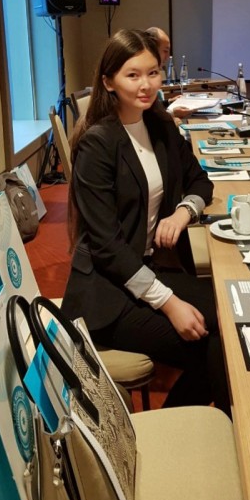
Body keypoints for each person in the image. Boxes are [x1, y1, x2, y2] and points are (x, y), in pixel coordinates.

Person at [61, 28, 231, 415]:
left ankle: (183, 423)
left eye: (153, 73)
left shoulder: (159, 125)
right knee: (214, 345)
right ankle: (188, 428)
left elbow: (200, 181)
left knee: (229, 315)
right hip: (106, 291)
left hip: (149, 268)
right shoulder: (97, 144)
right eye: (132, 75)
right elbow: (108, 249)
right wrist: (170, 304)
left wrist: (183, 212)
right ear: (109, 82)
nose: (146, 84)